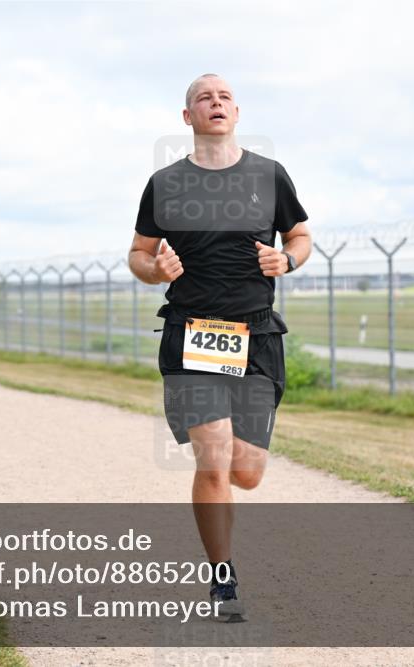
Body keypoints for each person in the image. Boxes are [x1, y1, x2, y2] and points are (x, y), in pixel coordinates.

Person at [128, 74, 311, 621]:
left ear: (237, 112)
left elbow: (300, 234)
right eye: (203, 97)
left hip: (256, 335)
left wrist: (290, 259)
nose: (215, 102)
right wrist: (153, 268)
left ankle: (227, 497)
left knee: (246, 471)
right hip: (193, 333)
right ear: (188, 117)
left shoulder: (268, 175)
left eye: (224, 96)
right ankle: (223, 583)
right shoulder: (165, 184)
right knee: (214, 461)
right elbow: (138, 254)